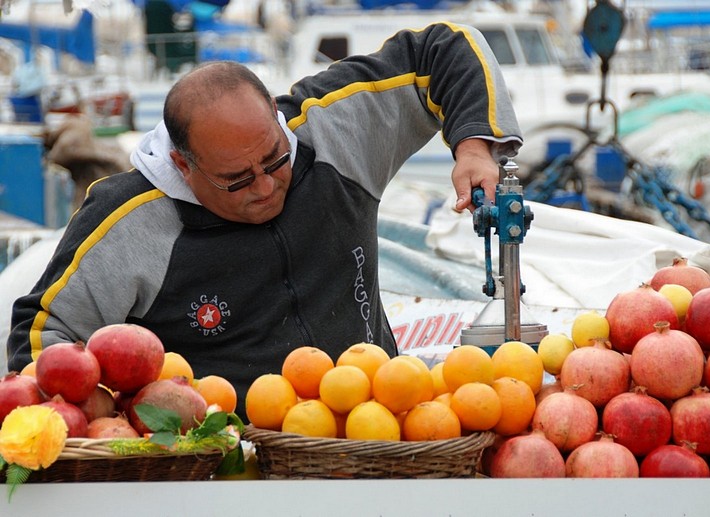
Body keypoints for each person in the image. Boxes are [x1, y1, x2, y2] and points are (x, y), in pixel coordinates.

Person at [6, 22, 522, 418]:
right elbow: (43, 341)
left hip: (377, 432)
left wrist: (475, 145)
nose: (266, 185)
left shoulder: (329, 128)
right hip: (220, 464)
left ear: (277, 121)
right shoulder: (126, 221)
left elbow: (443, 47)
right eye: (236, 179)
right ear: (183, 166)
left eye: (276, 159)